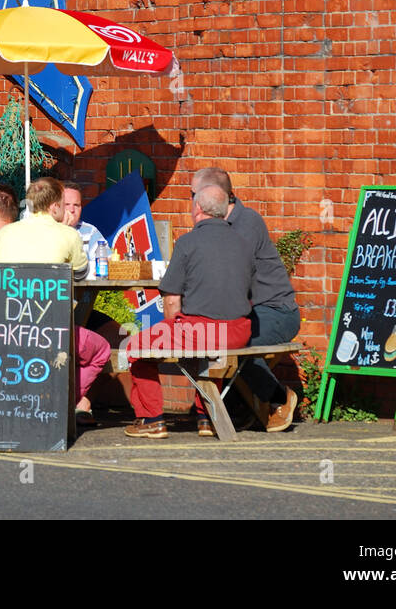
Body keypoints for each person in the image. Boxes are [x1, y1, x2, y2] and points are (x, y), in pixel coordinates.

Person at [123, 185, 254, 439]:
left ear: (198, 209)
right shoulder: (244, 243)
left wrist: (172, 333)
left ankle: (151, 418)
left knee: (137, 346)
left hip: (201, 332)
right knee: (208, 353)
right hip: (240, 330)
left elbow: (172, 300)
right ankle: (205, 417)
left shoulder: (187, 242)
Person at [0, 177, 109, 415]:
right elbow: (82, 273)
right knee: (101, 349)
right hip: (51, 331)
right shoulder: (69, 235)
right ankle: (63, 401)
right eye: (63, 204)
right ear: (54, 207)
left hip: (7, 329)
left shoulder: (3, 235)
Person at [193, 166, 302, 432]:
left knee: (236, 342)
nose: (192, 203)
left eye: (193, 194)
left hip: (276, 312)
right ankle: (231, 407)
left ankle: (278, 397)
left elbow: (230, 276)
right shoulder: (213, 226)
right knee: (205, 336)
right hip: (247, 313)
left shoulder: (246, 223)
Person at [61, 182, 101, 270]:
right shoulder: (48, 229)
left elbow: (104, 262)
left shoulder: (90, 231)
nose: (72, 210)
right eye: (66, 204)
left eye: (76, 205)